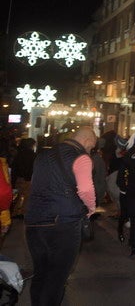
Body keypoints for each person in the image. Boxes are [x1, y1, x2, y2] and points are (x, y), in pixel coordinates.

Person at [25, 127, 97, 306]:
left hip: (34, 221)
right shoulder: (81, 158)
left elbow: (35, 183)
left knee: (41, 272)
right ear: (87, 141)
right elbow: (86, 189)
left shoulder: (43, 155)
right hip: (63, 223)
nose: (90, 151)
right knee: (57, 276)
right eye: (92, 147)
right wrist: (91, 208)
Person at [10, 138, 36, 218]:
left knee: (17, 195)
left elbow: (14, 167)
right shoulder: (33, 155)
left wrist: (13, 180)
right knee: (27, 197)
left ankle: (13, 212)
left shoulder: (19, 154)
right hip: (28, 178)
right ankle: (22, 213)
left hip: (19, 178)